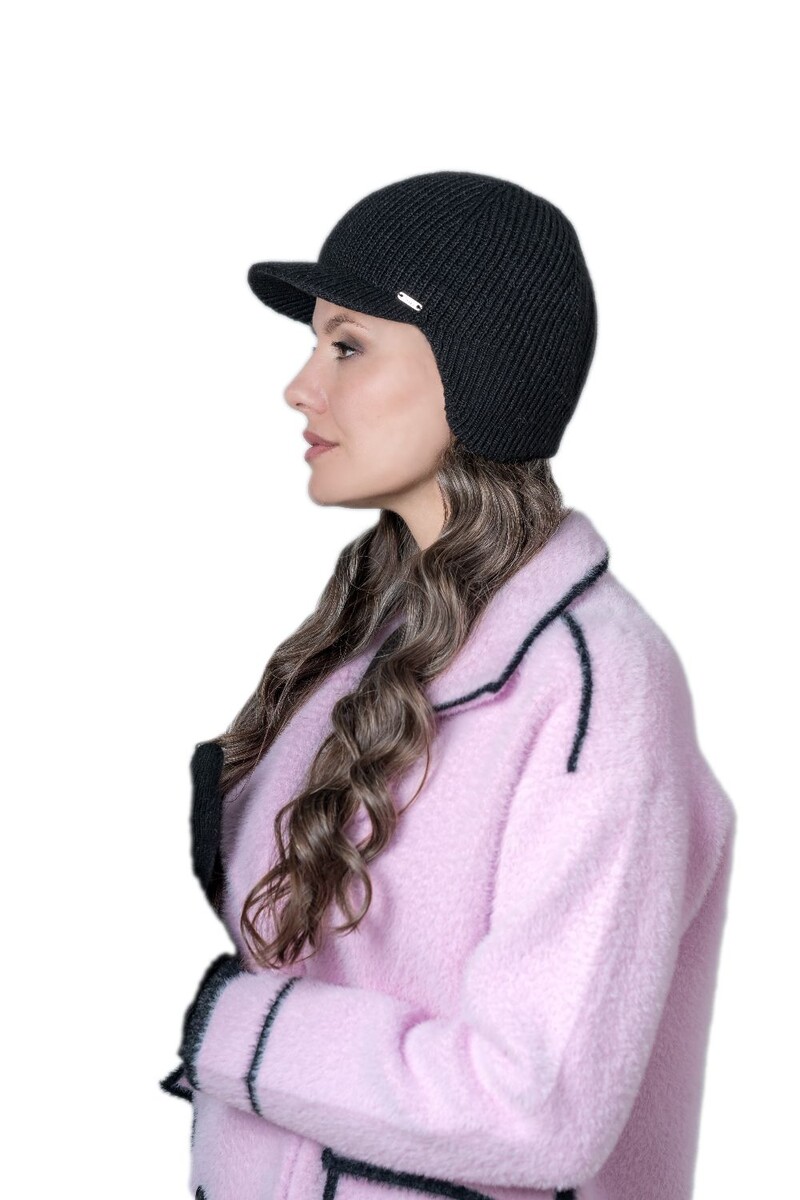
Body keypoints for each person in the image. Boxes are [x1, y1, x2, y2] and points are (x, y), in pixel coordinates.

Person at [159, 170, 736, 1200]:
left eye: (346, 346)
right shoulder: (368, 635)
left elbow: (535, 1106)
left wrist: (240, 1031)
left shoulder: (595, 685)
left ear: (476, 373)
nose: (301, 387)